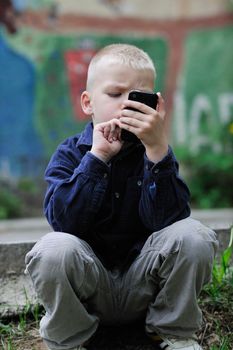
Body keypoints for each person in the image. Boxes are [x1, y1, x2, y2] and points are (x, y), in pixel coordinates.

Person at [25, 43, 218, 350]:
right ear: (88, 102)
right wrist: (97, 158)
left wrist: (157, 152)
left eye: (138, 97)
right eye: (115, 94)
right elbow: (64, 222)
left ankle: (173, 332)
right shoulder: (69, 153)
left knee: (193, 235)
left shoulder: (156, 154)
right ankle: (70, 338)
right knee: (53, 248)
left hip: (145, 287)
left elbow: (168, 222)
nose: (126, 105)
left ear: (155, 105)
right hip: (92, 288)